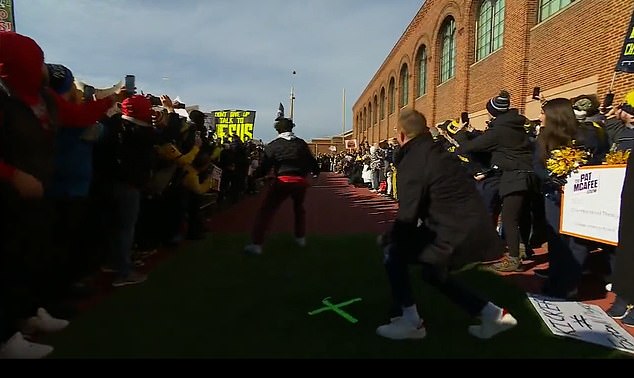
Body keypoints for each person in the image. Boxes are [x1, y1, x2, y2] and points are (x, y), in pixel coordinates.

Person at [375, 109, 517, 341]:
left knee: (393, 253)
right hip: (471, 225)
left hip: (453, 230)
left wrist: (391, 237)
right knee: (433, 272)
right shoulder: (436, 151)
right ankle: (494, 315)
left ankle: (411, 323)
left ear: (401, 135)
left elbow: (408, 215)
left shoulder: (414, 159)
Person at [244, 116, 320, 255]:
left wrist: (255, 176)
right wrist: (315, 172)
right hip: (299, 181)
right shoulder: (301, 143)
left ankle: (257, 244)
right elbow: (311, 161)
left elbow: (266, 166)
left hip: (283, 180)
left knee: (267, 211)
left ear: (277, 129)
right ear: (291, 127)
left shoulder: (273, 145)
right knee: (299, 209)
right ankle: (300, 237)